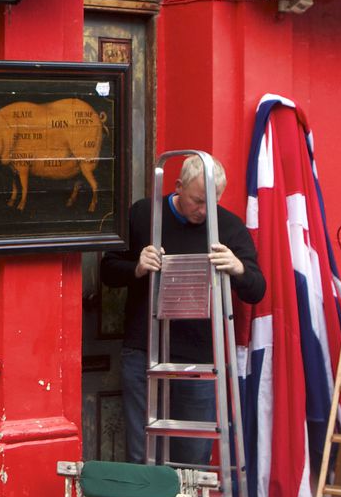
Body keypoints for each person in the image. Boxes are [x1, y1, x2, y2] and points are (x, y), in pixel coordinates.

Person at [100, 153, 265, 465]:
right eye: (197, 201)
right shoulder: (145, 213)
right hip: (143, 350)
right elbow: (108, 269)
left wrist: (237, 267)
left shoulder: (228, 227)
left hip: (198, 358)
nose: (203, 212)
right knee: (141, 454)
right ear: (177, 187)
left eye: (211, 203)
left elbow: (257, 289)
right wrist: (137, 267)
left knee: (192, 458)